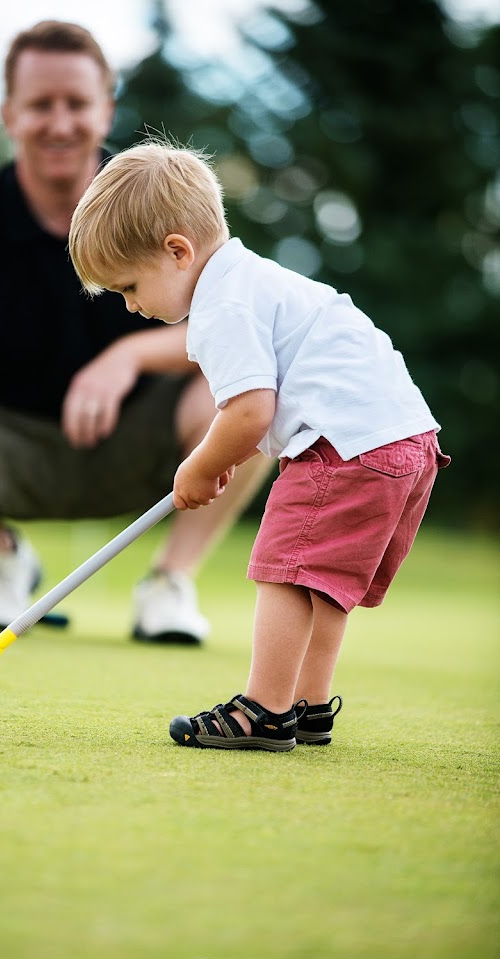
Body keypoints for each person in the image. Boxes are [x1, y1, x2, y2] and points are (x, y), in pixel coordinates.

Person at [0, 22, 271, 644]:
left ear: (106, 109)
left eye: (76, 104)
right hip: (2, 448)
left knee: (255, 399)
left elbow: (239, 323)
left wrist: (129, 355)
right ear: (8, 114)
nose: (59, 122)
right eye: (40, 105)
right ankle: (3, 562)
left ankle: (169, 585)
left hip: (137, 441)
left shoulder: (159, 203)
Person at [68, 140, 451, 751]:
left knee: (283, 568)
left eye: (130, 286)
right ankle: (309, 704)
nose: (132, 306)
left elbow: (249, 412)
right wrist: (227, 455)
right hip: (405, 443)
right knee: (320, 580)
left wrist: (199, 466)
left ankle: (265, 711)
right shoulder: (256, 281)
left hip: (346, 447)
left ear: (177, 251)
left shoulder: (222, 306)